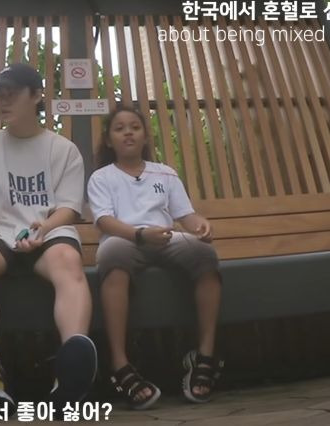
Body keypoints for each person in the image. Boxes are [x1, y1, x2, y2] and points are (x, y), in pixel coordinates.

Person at [0, 63, 97, 412]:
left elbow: (69, 210)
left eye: (12, 93)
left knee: (67, 259)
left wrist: (42, 230)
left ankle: (71, 368)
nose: (3, 101)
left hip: (48, 231)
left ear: (37, 96)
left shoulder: (62, 149)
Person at [87, 106, 223, 409]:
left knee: (204, 254)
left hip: (165, 239)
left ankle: (206, 356)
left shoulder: (164, 173)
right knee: (112, 254)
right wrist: (139, 234)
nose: (128, 133)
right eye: (119, 128)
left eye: (135, 127)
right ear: (109, 140)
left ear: (145, 136)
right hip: (126, 240)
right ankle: (119, 363)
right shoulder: (102, 177)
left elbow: (185, 215)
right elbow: (104, 221)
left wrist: (200, 225)